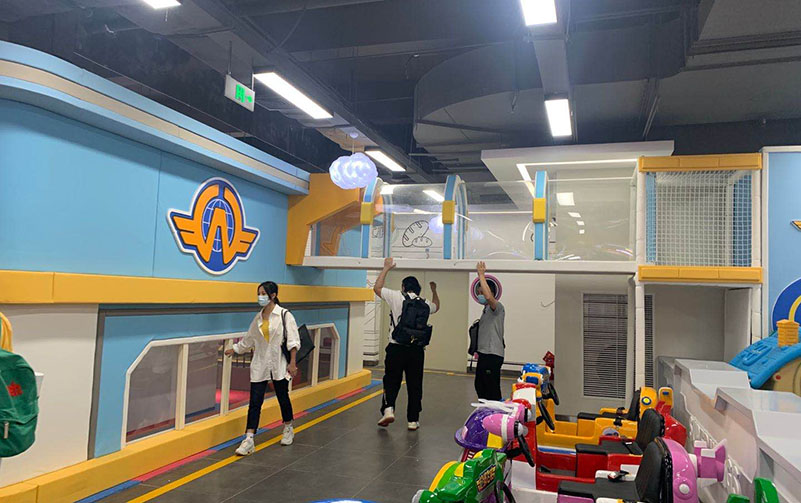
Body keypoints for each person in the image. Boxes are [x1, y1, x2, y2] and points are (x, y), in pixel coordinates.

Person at [225, 281, 300, 455]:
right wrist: (235, 349)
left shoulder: (284, 315)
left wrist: (292, 363)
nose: (260, 297)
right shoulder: (258, 318)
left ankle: (288, 427)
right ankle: (249, 438)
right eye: (259, 293)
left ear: (273, 295)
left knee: (283, 397)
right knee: (255, 402)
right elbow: (248, 340)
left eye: (263, 293)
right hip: (261, 363)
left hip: (279, 363)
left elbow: (293, 341)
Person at [374, 257, 440, 430]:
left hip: (396, 347)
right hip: (416, 350)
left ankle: (389, 409)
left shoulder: (396, 296)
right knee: (415, 384)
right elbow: (436, 305)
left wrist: (386, 268)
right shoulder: (424, 303)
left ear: (403, 287)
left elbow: (377, 288)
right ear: (418, 289)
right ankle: (413, 420)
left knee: (391, 380)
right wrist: (434, 290)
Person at [474, 261, 505, 401]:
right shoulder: (486, 310)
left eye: (482, 292)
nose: (480, 295)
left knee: (491, 389)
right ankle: (485, 412)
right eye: (478, 293)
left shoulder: (497, 308)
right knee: (480, 386)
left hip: (492, 355)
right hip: (484, 354)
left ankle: (495, 412)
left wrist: (481, 275)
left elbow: (488, 297)